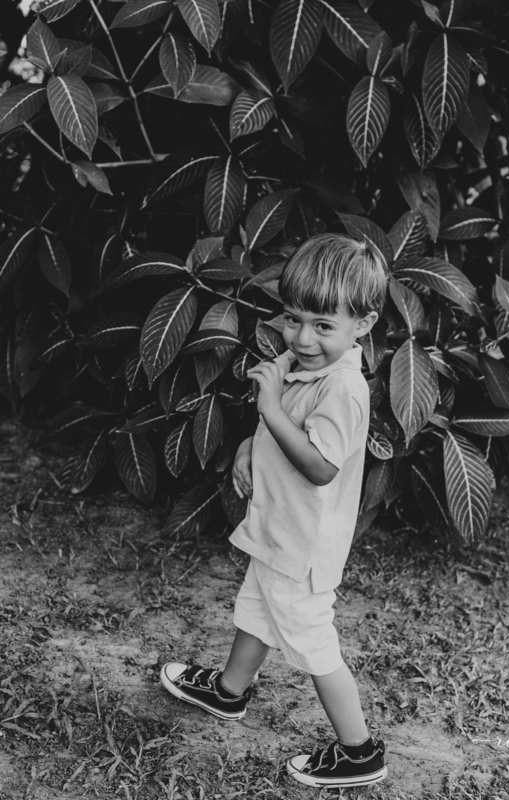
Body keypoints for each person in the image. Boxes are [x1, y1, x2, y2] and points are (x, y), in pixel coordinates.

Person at [159, 233, 389, 788]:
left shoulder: (344, 390)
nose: (303, 338)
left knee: (314, 644)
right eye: (292, 319)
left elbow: (320, 465)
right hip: (280, 530)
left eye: (322, 326)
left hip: (303, 544)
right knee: (257, 610)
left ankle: (359, 752)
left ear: (364, 323)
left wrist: (266, 407)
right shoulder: (302, 359)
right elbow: (281, 426)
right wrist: (248, 445)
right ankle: (228, 691)